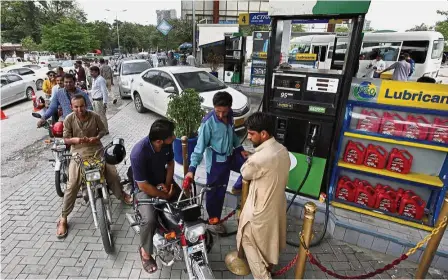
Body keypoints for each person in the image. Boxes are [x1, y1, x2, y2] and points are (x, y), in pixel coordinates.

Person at [56, 94, 132, 238]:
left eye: (82, 106)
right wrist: (76, 140)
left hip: (97, 150)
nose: (79, 109)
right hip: (78, 154)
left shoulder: (95, 116)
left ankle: (121, 194)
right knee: (72, 185)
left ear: (86, 105)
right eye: (76, 107)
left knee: (113, 175)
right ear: (72, 107)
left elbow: (103, 130)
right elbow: (66, 138)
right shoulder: (68, 119)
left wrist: (97, 137)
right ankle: (63, 218)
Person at [184, 91, 247, 234]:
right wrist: (191, 169)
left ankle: (237, 187)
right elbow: (199, 149)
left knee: (249, 166)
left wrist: (240, 148)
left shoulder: (230, 116)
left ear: (230, 108)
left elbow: (233, 135)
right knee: (215, 194)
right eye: (217, 111)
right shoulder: (208, 123)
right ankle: (214, 221)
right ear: (214, 108)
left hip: (231, 156)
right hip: (216, 163)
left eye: (224, 111)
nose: (220, 115)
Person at [236, 112, 290, 279]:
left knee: (247, 239)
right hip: (278, 205)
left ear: (264, 134)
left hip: (260, 209)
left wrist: (251, 159)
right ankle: (269, 266)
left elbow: (245, 173)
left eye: (252, 134)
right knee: (269, 242)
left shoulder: (259, 159)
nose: (249, 138)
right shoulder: (282, 150)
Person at [130, 119, 178, 274]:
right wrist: (164, 195)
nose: (175, 137)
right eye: (172, 135)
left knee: (186, 200)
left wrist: (168, 184)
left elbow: (170, 164)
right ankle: (145, 252)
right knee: (149, 219)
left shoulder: (167, 144)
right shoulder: (138, 153)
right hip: (144, 188)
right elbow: (143, 185)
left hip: (162, 181)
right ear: (159, 141)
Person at [89, 66, 109, 134]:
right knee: (97, 116)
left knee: (102, 116)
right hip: (94, 101)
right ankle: (101, 129)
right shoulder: (94, 79)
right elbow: (95, 90)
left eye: (92, 72)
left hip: (99, 101)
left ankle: (106, 130)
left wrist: (105, 102)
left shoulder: (100, 79)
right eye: (90, 72)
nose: (91, 73)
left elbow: (104, 91)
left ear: (97, 72)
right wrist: (87, 91)